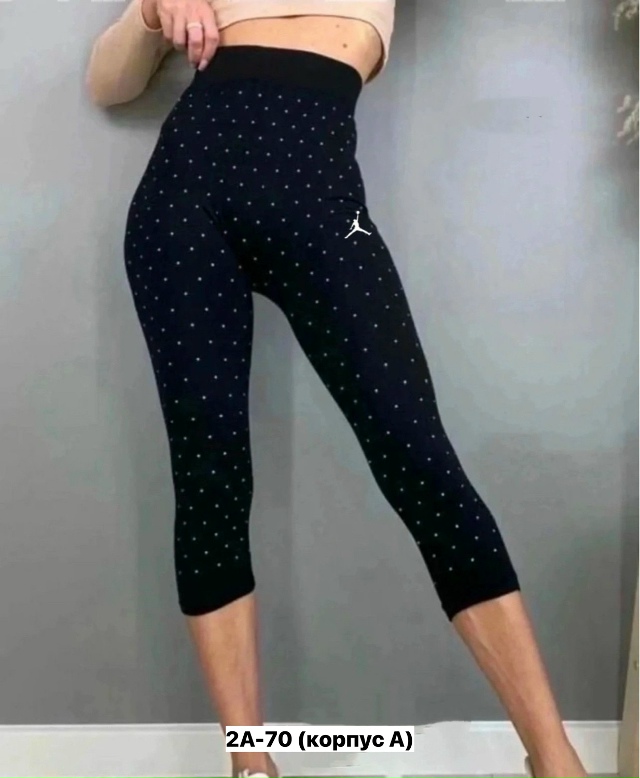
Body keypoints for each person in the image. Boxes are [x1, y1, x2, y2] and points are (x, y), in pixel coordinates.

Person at [85, 3, 588, 777]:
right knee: (211, 478)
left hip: (322, 204)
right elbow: (107, 83)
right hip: (186, 201)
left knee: (422, 463)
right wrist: (153, 10)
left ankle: (555, 761)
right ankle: (251, 765)